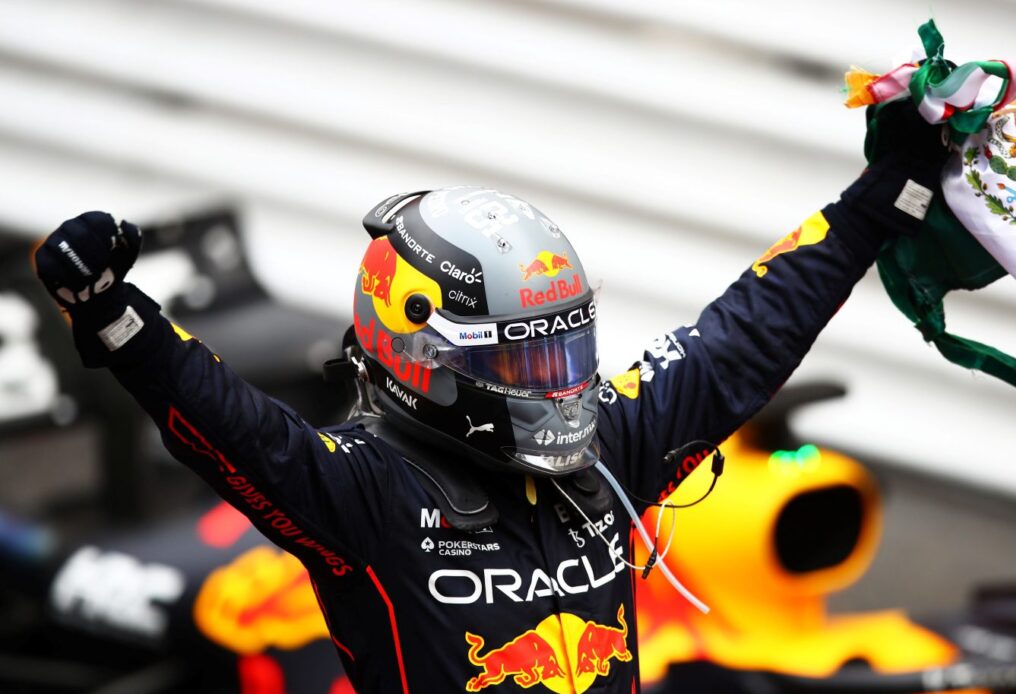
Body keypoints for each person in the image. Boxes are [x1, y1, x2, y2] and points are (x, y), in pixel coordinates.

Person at [33, 104, 945, 693]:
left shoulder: (613, 452)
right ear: (424, 354)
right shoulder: (364, 495)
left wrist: (889, 189)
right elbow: (226, 422)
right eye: (527, 360)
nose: (559, 386)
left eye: (567, 350)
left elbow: (748, 331)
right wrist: (115, 315)